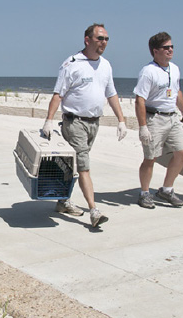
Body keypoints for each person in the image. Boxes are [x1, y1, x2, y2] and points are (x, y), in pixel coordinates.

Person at [41, 23, 127, 228]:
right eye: (100, 38)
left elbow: (111, 93)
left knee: (73, 167)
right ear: (87, 40)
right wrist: (49, 120)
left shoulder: (106, 65)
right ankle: (94, 210)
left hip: (93, 124)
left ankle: (62, 201)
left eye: (106, 39)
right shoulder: (72, 64)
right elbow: (58, 94)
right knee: (84, 166)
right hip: (74, 122)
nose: (104, 42)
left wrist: (122, 121)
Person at [133, 31, 183, 209]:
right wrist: (143, 127)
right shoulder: (148, 72)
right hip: (154, 118)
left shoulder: (175, 69)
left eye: (172, 46)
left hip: (172, 117)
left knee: (182, 153)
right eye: (166, 47)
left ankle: (166, 189)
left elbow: (176, 92)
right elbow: (139, 100)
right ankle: (144, 193)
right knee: (150, 158)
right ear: (155, 51)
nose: (170, 50)